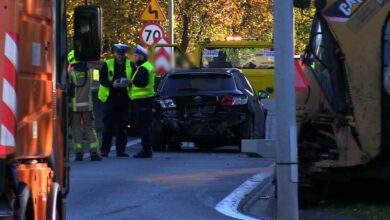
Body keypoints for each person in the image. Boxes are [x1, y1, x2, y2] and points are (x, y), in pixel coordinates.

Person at [99, 44, 135, 157]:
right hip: (110, 99)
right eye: (118, 54)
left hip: (124, 100)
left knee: (122, 126)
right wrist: (112, 84)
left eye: (122, 55)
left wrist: (129, 82)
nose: (120, 57)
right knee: (107, 126)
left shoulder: (130, 65)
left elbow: (134, 79)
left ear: (124, 55)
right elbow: (102, 80)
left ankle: (121, 150)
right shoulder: (107, 64)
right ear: (115, 54)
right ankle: (105, 150)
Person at [68, 50, 102, 161]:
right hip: (88, 107)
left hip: (74, 107)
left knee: (76, 129)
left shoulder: (71, 75)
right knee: (90, 128)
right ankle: (94, 152)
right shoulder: (89, 72)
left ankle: (78, 153)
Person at [131, 45, 155, 158]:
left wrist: (131, 82)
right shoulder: (148, 66)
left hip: (142, 101)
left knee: (144, 126)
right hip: (147, 99)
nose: (134, 58)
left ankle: (146, 150)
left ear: (141, 56)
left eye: (136, 56)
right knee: (147, 126)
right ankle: (148, 148)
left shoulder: (143, 68)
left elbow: (142, 83)